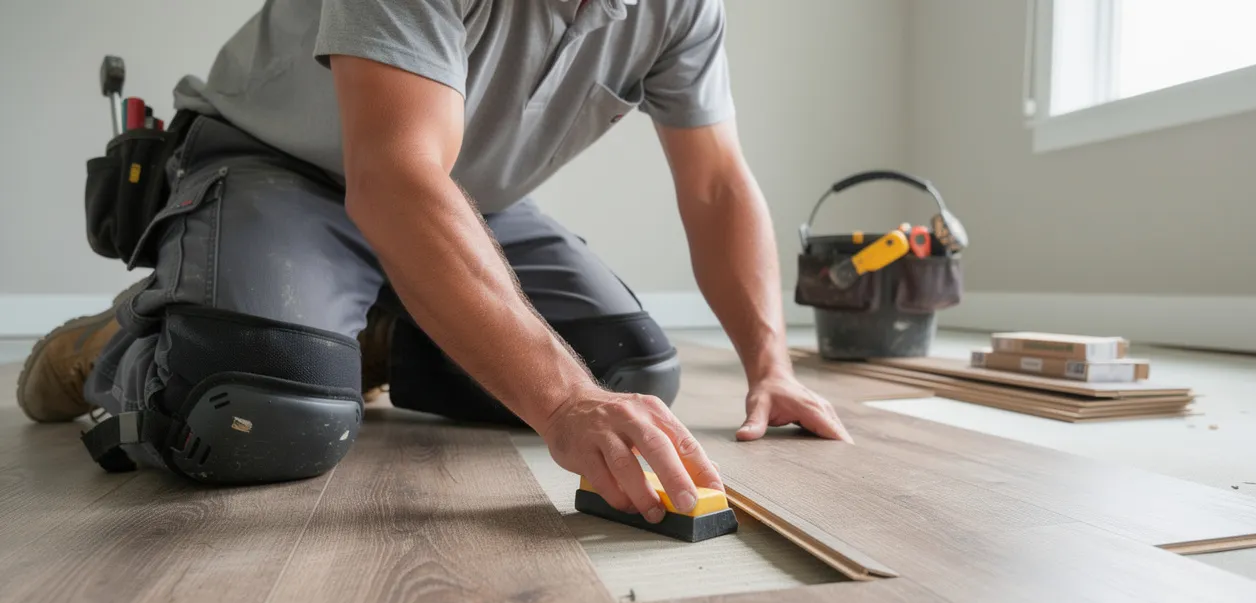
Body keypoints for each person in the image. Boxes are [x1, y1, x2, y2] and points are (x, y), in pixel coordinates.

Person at [17, 0, 851, 524]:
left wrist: (770, 364)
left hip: (450, 195)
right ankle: (122, 341)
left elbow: (715, 188)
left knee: (628, 369)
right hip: (281, 162)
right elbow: (390, 177)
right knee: (253, 409)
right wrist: (562, 404)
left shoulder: (681, 8)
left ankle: (357, 336)